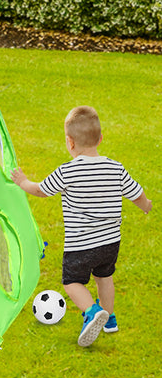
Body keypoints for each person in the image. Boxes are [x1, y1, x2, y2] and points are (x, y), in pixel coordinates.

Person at [12, 105, 152, 348]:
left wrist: (23, 181)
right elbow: (137, 194)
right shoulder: (115, 168)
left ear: (70, 142)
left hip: (81, 245)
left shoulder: (68, 171)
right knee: (104, 277)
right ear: (100, 138)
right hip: (110, 243)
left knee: (72, 282)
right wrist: (147, 205)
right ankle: (109, 319)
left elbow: (41, 190)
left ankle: (91, 311)